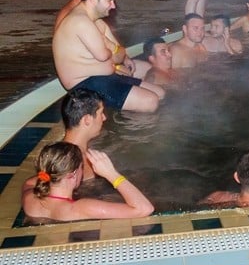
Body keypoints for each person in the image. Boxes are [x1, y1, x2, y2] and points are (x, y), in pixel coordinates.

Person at [52, 0, 164, 112]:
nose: (113, 6)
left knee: (160, 93)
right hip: (86, 85)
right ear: (93, 0)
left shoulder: (95, 21)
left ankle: (126, 115)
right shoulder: (81, 22)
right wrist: (114, 53)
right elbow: (110, 55)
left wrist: (113, 52)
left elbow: (119, 54)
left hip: (102, 78)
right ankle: (129, 129)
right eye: (109, 1)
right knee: (150, 102)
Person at [21, 142, 154, 222]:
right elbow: (144, 209)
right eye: (81, 167)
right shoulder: (82, 208)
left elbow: (30, 182)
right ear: (72, 175)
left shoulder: (30, 198)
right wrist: (111, 174)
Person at [60, 87, 108, 181]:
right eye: (101, 113)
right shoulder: (72, 163)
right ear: (87, 119)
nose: (104, 118)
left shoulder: (59, 155)